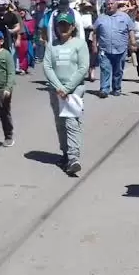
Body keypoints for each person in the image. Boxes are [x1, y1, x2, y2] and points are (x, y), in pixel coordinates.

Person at [43, 11, 90, 176]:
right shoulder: (52, 45)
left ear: (72, 27)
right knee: (60, 123)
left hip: (74, 89)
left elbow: (83, 68)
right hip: (56, 89)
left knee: (71, 122)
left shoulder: (79, 44)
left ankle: (74, 157)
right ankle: (65, 153)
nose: (63, 27)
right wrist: (58, 87)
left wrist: (68, 88)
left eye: (66, 24)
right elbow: (47, 66)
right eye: (60, 24)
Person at [90, 0, 136, 97]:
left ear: (116, 4)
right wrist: (94, 45)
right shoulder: (101, 17)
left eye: (112, 4)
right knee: (105, 69)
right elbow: (95, 32)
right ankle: (104, 89)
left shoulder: (124, 17)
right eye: (108, 4)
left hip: (121, 49)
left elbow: (131, 30)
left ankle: (116, 88)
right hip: (104, 49)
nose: (110, 6)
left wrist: (133, 43)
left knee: (118, 71)